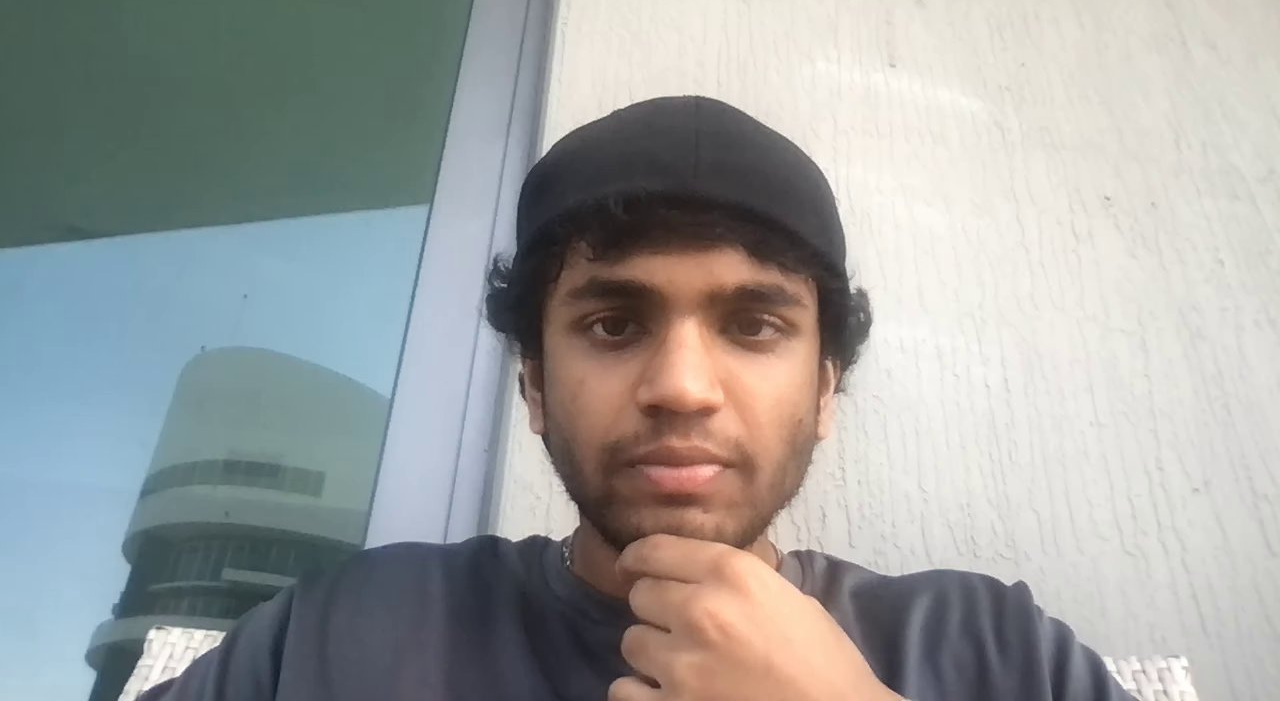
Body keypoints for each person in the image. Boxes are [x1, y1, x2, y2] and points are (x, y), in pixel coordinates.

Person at [140, 96, 1131, 700]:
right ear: (534, 382)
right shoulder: (347, 633)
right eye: (614, 324)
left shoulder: (995, 651)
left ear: (826, 389)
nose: (681, 389)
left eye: (754, 325)